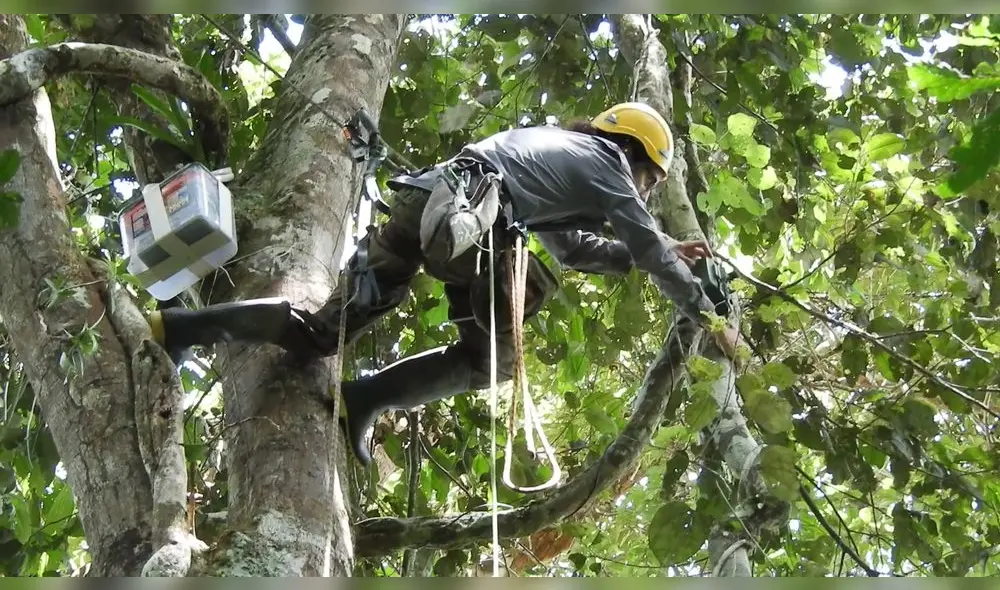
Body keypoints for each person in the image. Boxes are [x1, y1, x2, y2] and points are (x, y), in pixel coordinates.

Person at [148, 102, 740, 466]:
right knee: (498, 360)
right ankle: (371, 396)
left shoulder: (559, 155)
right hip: (470, 229)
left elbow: (578, 249)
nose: (642, 193)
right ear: (636, 156)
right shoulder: (607, 163)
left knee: (321, 334)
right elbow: (642, 242)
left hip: (427, 204)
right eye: (650, 181)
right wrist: (705, 310)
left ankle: (178, 328)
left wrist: (651, 253)